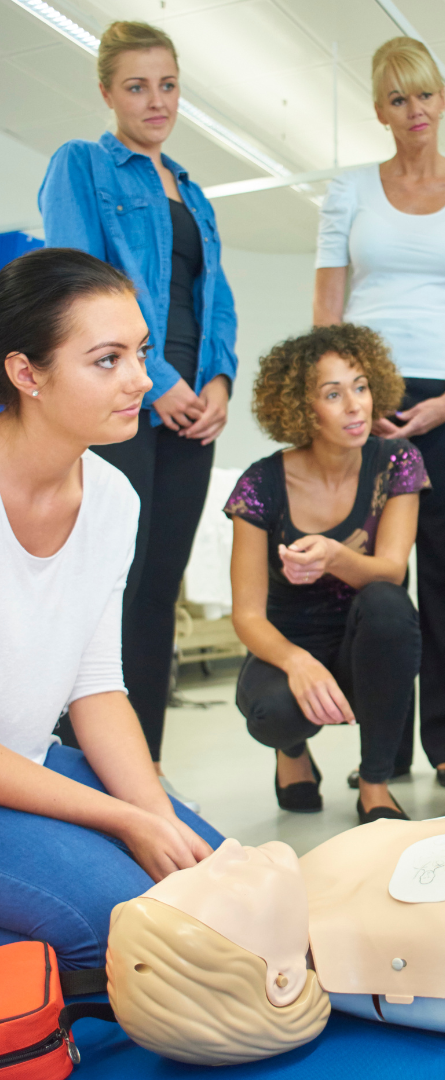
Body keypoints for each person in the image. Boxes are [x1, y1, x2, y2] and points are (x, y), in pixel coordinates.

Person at [0, 248, 222, 973]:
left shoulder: (113, 499)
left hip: (29, 767)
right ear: (25, 373)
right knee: (128, 933)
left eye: (143, 353)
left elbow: (96, 685)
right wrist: (122, 818)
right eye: (107, 360)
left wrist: (153, 814)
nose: (141, 380)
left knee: (215, 887)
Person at [38, 21, 239, 813]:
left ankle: (141, 771)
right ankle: (75, 775)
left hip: (191, 412)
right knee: (105, 594)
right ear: (106, 93)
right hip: (126, 401)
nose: (155, 102)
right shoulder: (83, 165)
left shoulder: (192, 189)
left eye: (167, 85)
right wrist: (153, 379)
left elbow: (212, 298)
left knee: (157, 591)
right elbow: (79, 287)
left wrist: (216, 379)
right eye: (135, 86)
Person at [313, 36, 445, 792]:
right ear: (379, 111)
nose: (415, 110)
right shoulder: (350, 190)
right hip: (365, 395)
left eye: (425, 94)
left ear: (442, 98)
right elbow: (329, 304)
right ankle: (383, 747)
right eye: (398, 99)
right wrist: (341, 396)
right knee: (375, 577)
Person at [227, 325, 428, 824]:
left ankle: (375, 782)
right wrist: (296, 662)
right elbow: (247, 615)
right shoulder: (261, 483)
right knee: (274, 714)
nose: (356, 405)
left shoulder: (397, 462)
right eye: (333, 394)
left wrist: (334, 556)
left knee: (388, 604)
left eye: (360, 387)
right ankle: (291, 753)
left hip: (362, 645)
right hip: (286, 645)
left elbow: (391, 572)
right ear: (301, 407)